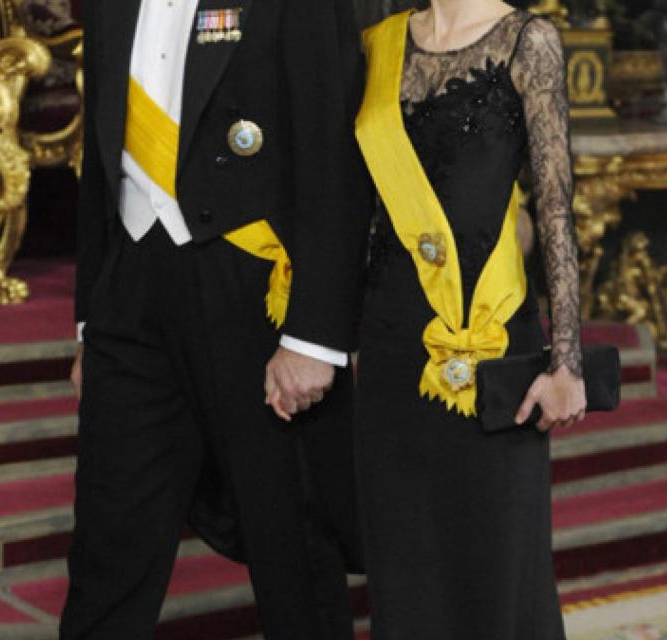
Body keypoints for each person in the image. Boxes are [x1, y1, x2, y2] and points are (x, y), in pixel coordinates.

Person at [60, 1, 371, 638]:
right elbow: (100, 148)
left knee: (290, 547)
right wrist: (91, 319)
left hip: (253, 285)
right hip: (131, 284)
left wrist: (316, 335)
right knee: (106, 547)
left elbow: (331, 149)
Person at [353, 1, 586, 637]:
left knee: (496, 570)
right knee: (405, 573)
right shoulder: (379, 45)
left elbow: (556, 209)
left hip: (495, 341)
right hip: (391, 348)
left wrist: (567, 362)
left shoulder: (528, 40)